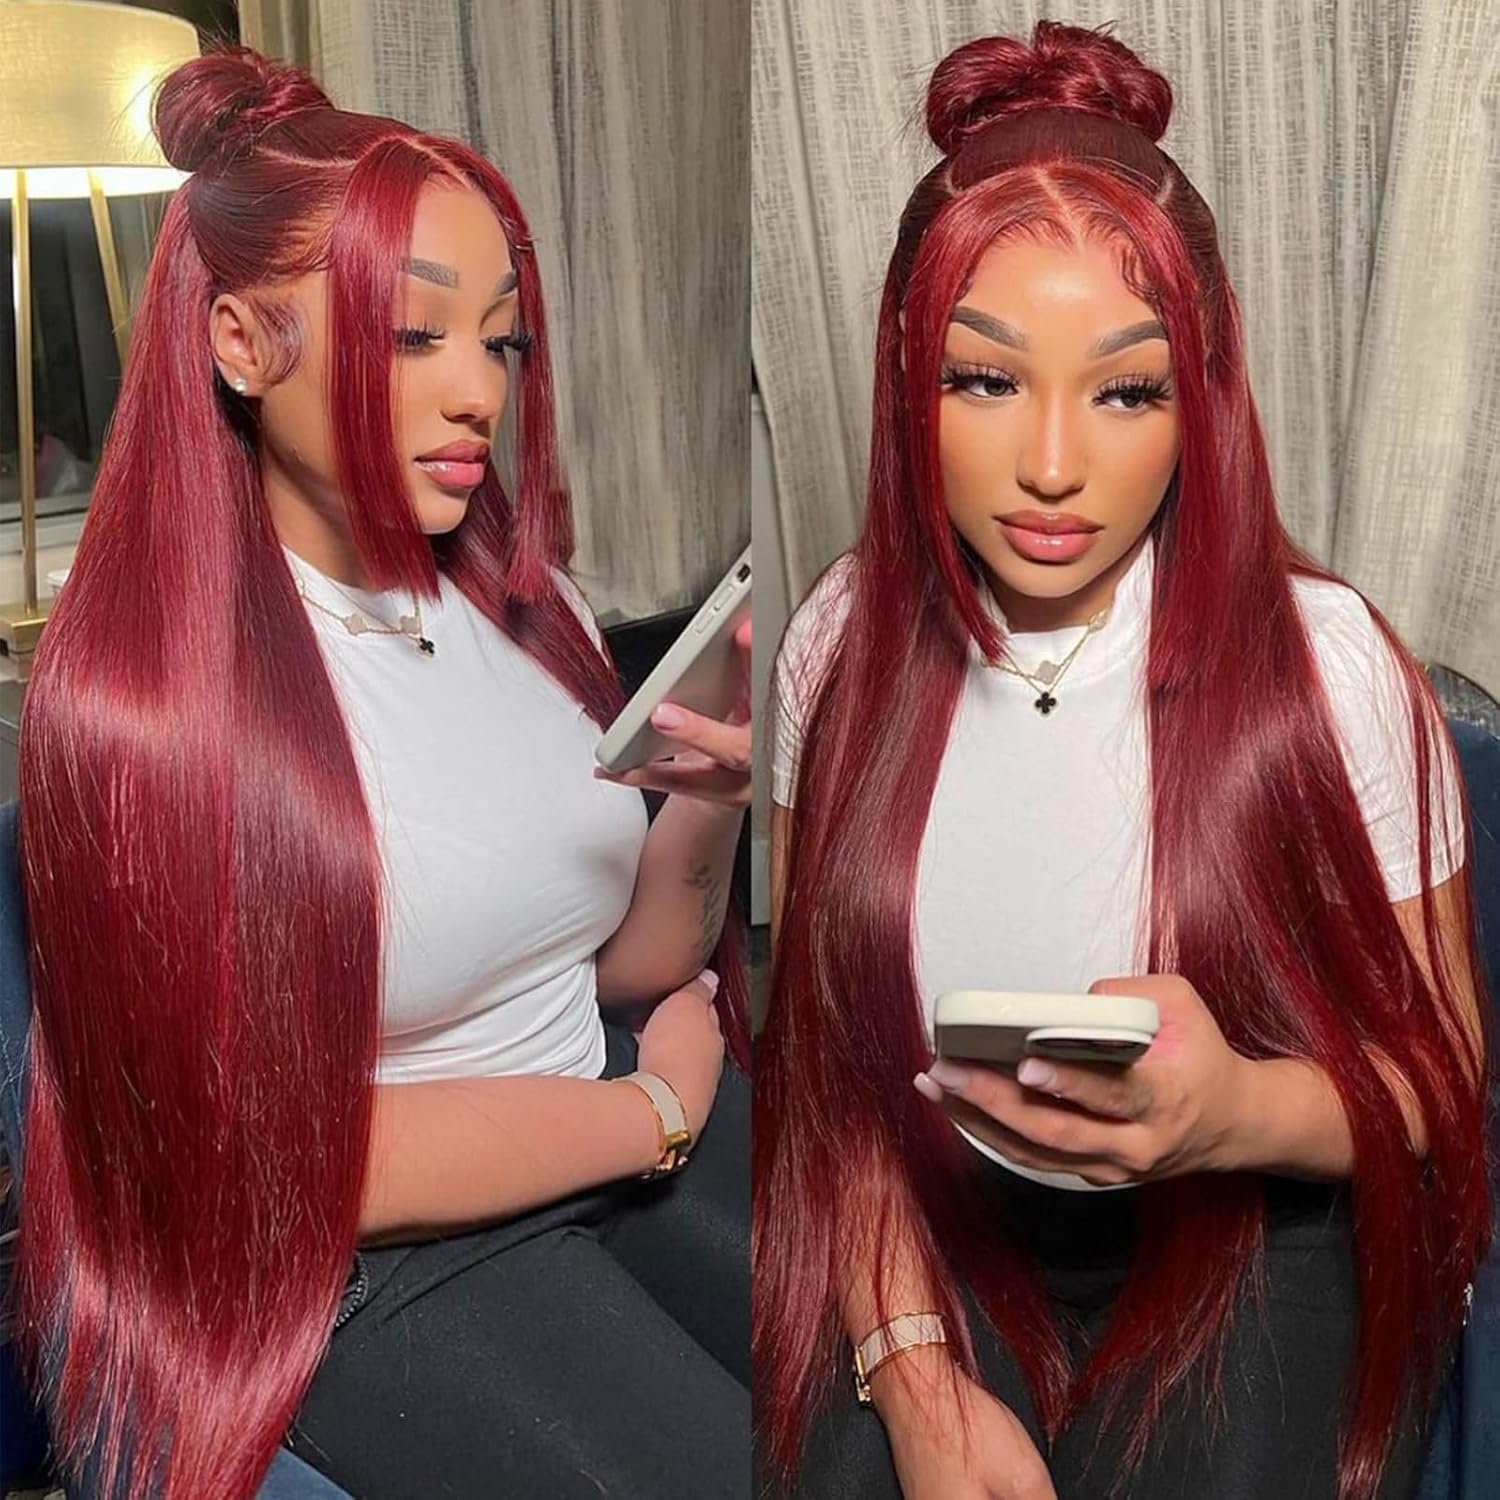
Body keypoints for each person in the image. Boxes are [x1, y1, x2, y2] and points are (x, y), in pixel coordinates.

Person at [755, 21, 1489, 1500]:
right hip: (938, 1236)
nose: (1050, 464)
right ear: (907, 380)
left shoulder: (1330, 665)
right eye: (984, 380)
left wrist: (1232, 1114)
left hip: (1252, 1239)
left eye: (1126, 391)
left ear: (1198, 395)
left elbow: (1445, 1085)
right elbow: (827, 1061)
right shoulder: (833, 640)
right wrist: (911, 1369)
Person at [7, 46, 750, 1500]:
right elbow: (280, 1170)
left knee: (889, 1390)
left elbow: (621, 964)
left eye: (501, 342)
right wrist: (653, 1115)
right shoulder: (146, 707)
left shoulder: (521, 605)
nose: (478, 392)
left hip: (597, 1105)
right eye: (416, 337)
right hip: (376, 1249)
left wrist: (704, 801)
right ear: (240, 342)